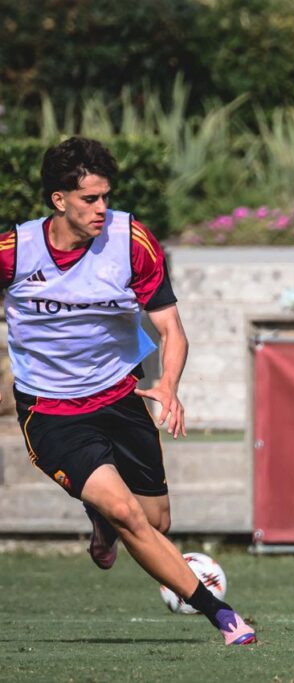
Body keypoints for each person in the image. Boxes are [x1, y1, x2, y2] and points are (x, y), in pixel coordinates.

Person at [0, 137, 256, 645]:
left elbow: (172, 330)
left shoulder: (130, 240)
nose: (102, 209)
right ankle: (224, 616)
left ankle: (102, 523)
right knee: (126, 511)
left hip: (121, 396)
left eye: (105, 197)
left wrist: (169, 385)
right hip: (50, 411)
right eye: (90, 199)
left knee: (156, 522)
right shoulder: (14, 252)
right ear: (59, 200)